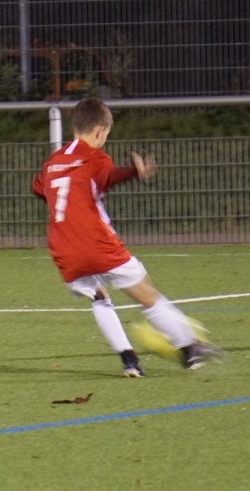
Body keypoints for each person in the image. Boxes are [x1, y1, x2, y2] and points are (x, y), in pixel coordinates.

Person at [32, 98, 219, 375]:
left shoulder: (53, 161)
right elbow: (110, 176)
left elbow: (38, 188)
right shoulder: (95, 157)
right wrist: (133, 172)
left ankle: (129, 360)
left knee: (99, 297)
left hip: (63, 248)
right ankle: (190, 349)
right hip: (97, 243)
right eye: (106, 134)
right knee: (147, 295)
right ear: (99, 131)